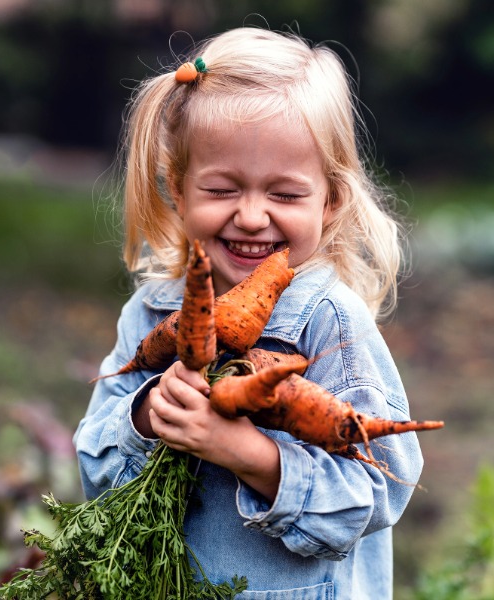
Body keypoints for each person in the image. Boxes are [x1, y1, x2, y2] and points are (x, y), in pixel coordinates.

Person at [73, 26, 424, 599]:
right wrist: (147, 414)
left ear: (331, 201)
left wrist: (249, 455)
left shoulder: (328, 322)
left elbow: (383, 488)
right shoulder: (152, 313)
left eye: (284, 194)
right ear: (179, 190)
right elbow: (95, 468)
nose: (253, 217)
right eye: (221, 189)